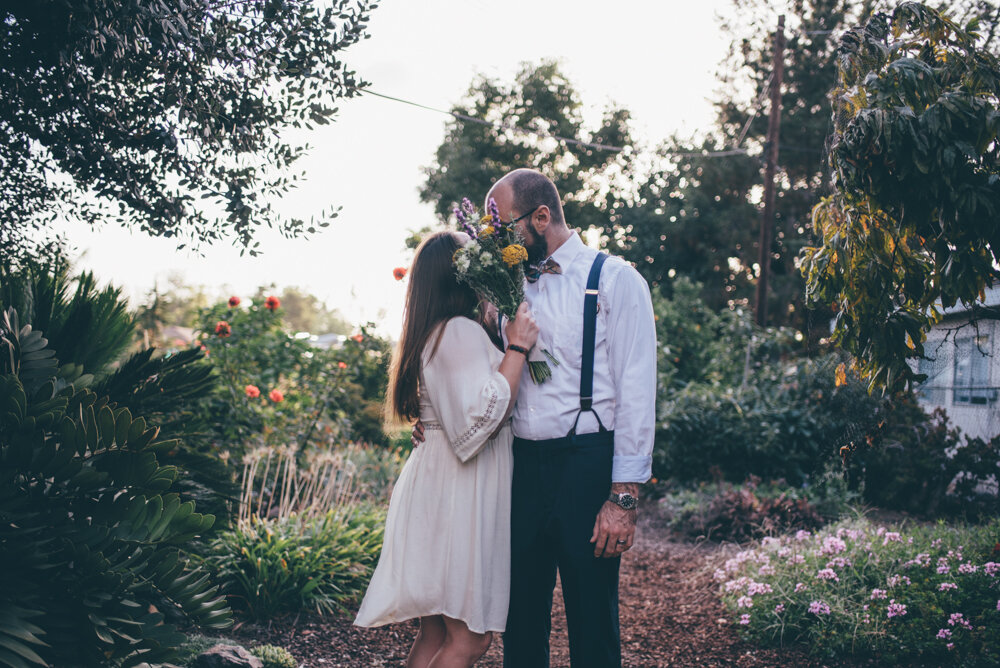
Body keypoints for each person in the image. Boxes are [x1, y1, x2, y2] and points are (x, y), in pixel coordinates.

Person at [415, 169, 657, 667]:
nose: (490, 239)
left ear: (542, 217)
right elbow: (471, 374)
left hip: (585, 465)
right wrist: (434, 419)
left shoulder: (614, 279)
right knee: (520, 620)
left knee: (592, 620)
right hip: (517, 466)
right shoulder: (500, 288)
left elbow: (637, 390)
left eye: (500, 229)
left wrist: (624, 497)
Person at [354, 230, 540, 668]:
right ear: (459, 276)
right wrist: (517, 346)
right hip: (459, 491)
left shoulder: (437, 331)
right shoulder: (457, 331)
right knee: (471, 638)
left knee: (436, 631)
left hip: (440, 484)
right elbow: (479, 422)